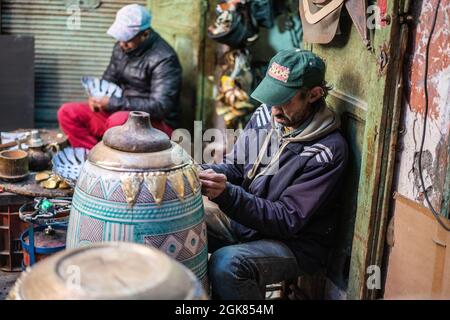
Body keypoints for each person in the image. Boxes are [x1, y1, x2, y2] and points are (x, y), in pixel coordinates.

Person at [199, 49, 349, 299]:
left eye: (286, 100)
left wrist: (227, 194)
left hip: (294, 244)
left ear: (313, 95)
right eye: (272, 99)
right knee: (184, 219)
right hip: (247, 223)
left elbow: (286, 219)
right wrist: (203, 172)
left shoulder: (327, 151)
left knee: (228, 265)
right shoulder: (266, 116)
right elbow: (237, 166)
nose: (275, 112)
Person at [58, 4, 182, 149]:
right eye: (120, 37)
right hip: (118, 113)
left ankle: (112, 161)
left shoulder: (165, 58)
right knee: (67, 112)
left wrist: (112, 103)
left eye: (127, 39)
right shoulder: (121, 47)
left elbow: (160, 107)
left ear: (145, 34)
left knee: (118, 121)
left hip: (151, 124)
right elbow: (109, 79)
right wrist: (97, 98)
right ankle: (93, 157)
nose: (122, 44)